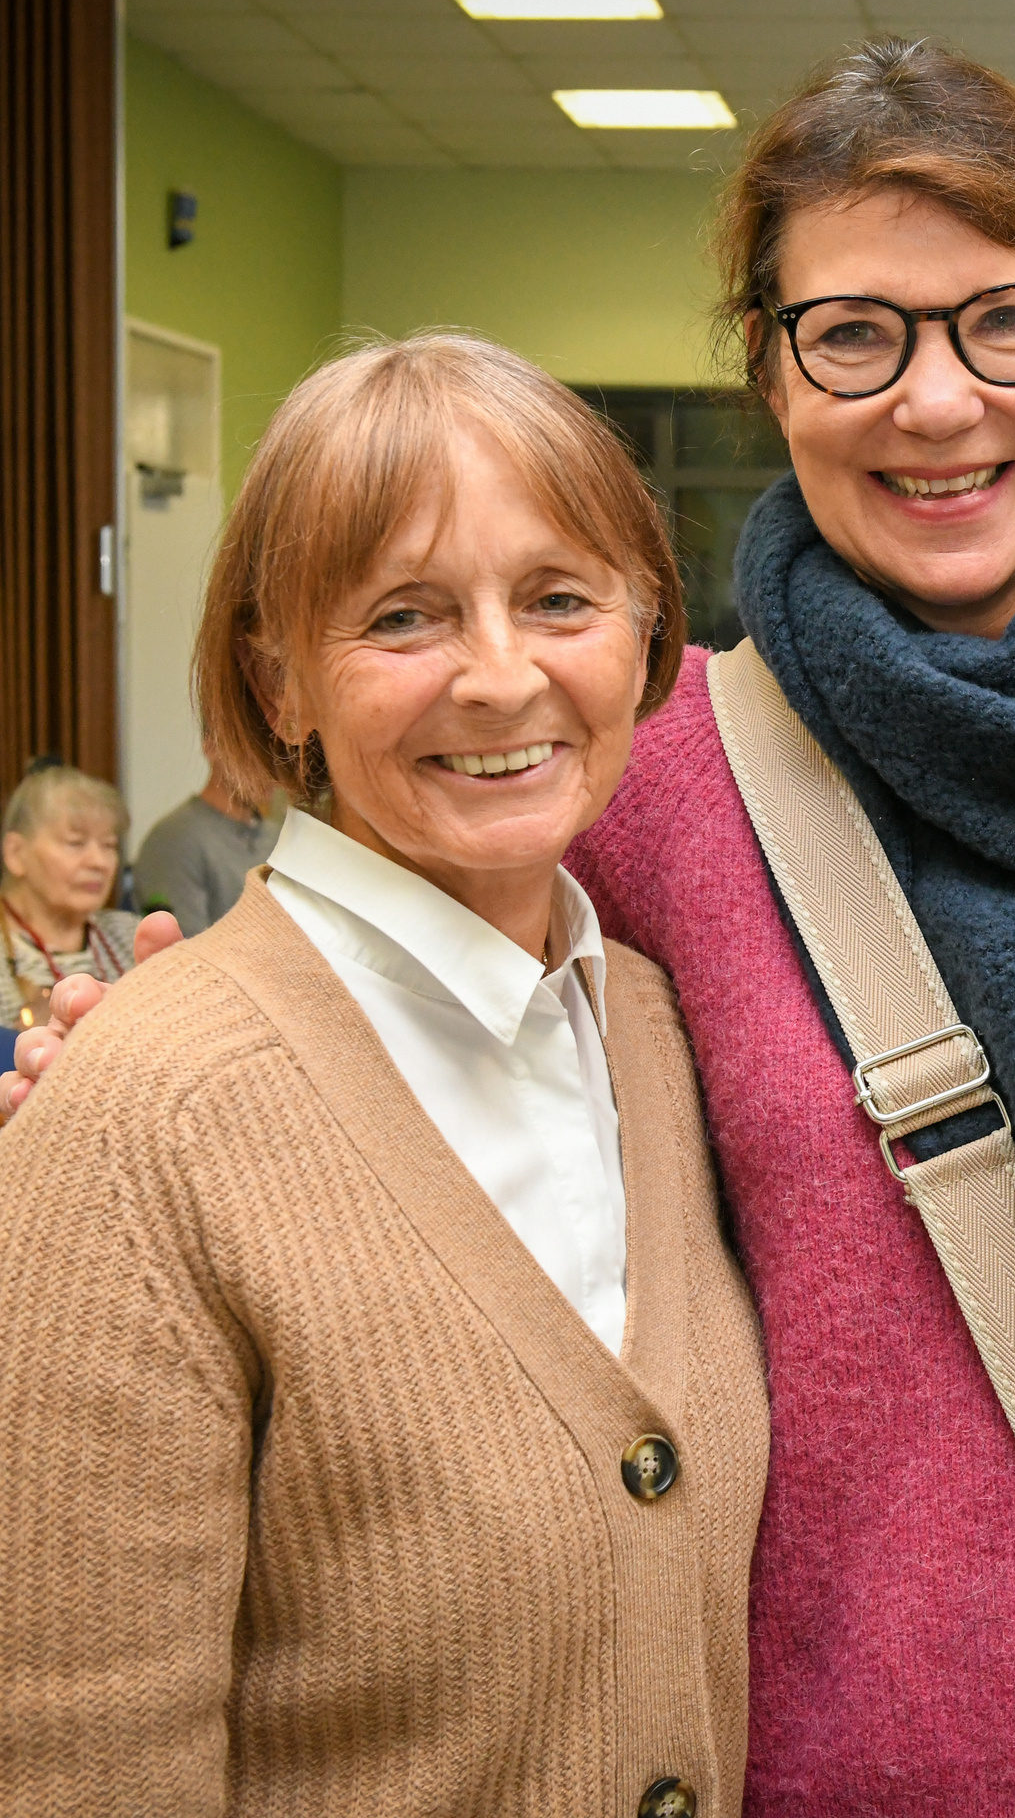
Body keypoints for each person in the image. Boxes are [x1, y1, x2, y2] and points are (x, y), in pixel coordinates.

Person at [7, 41, 1015, 1814]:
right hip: (849, 1770)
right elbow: (414, 1032)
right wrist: (120, 1081)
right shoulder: (663, 778)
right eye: (854, 334)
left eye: (1004, 321)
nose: (936, 401)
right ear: (769, 369)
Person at [0, 335, 768, 1815]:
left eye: (559, 599)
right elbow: (77, 1765)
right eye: (404, 618)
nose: (501, 675)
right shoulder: (144, 1116)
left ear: (646, 636)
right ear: (277, 678)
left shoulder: (662, 1035)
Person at [1, 764, 141, 1032]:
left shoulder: (131, 934)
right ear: (15, 853)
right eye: (76, 843)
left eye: (109, 845)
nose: (99, 862)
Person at [132, 740, 280, 933]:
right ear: (212, 746)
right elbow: (185, 944)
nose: (272, 764)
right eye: (257, 747)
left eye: (281, 751)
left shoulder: (279, 836)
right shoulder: (174, 840)